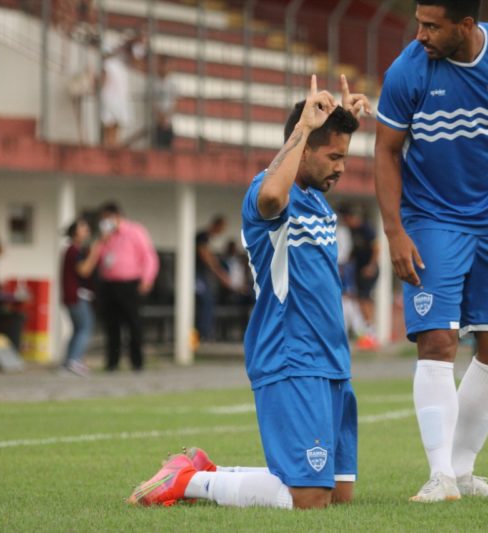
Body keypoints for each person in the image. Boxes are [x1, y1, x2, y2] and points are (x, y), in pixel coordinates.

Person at [128, 74, 370, 509]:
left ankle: (205, 471)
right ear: (304, 148)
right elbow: (273, 198)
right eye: (334, 157)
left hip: (332, 357)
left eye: (344, 158)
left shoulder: (316, 198)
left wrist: (342, 121)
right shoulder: (268, 190)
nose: (341, 167)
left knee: (338, 494)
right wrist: (303, 129)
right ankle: (189, 483)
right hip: (292, 354)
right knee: (309, 498)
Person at [374, 0, 488, 502]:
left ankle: (461, 471)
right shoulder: (407, 71)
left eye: (432, 26)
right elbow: (386, 151)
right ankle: (439, 476)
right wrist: (394, 231)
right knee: (438, 339)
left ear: (466, 25)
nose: (420, 34)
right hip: (431, 218)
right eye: (418, 22)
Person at [96, 202, 159, 372]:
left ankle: (137, 362)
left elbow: (148, 256)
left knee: (133, 324)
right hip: (109, 284)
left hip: (130, 284)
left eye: (107, 219)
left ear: (116, 216)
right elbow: (99, 259)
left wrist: (147, 279)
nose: (105, 223)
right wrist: (103, 241)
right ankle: (112, 363)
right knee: (112, 325)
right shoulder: (105, 237)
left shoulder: (135, 231)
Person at [60, 219, 101, 376]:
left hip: (73, 296)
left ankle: (68, 362)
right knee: (85, 327)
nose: (87, 230)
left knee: (78, 329)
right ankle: (74, 360)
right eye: (83, 228)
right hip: (77, 296)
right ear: (75, 233)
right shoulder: (74, 251)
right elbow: (84, 270)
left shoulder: (74, 250)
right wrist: (94, 253)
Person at [343, 207, 380, 350]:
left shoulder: (366, 228)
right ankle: (367, 331)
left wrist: (371, 266)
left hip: (369, 270)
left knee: (365, 298)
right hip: (358, 270)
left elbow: (377, 248)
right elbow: (354, 250)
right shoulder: (352, 231)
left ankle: (371, 332)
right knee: (359, 299)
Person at [194, 215, 232, 342]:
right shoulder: (202, 237)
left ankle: (205, 333)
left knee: (209, 299)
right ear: (216, 225)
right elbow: (207, 259)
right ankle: (202, 334)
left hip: (202, 275)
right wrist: (221, 276)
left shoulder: (207, 239)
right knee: (205, 299)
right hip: (195, 275)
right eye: (222, 228)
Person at [99, 43, 133, 147]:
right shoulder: (121, 66)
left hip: (109, 99)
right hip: (121, 100)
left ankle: (109, 148)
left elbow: (103, 81)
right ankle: (114, 147)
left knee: (108, 128)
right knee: (115, 131)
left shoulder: (106, 64)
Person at [151, 55, 179, 149]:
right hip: (156, 123)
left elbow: (175, 103)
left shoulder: (173, 84)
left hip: (168, 123)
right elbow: (152, 103)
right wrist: (159, 117)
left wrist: (166, 117)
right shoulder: (153, 83)